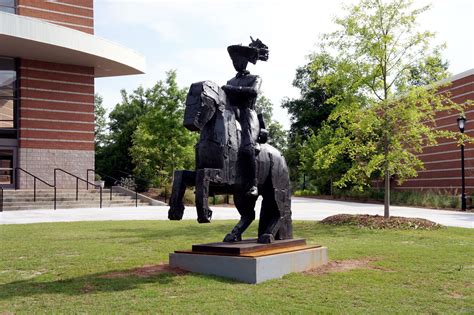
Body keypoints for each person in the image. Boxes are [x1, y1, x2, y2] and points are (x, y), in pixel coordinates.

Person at [222, 37, 269, 197]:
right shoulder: (230, 81)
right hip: (231, 114)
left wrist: (231, 90)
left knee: (247, 148)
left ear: (245, 61)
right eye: (234, 60)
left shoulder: (255, 78)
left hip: (248, 115)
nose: (237, 63)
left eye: (240, 60)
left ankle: (252, 184)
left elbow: (253, 92)